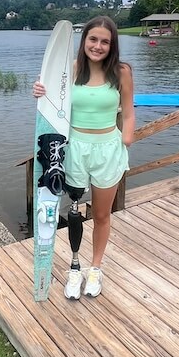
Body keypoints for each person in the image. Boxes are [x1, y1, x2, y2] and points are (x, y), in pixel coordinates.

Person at [33, 16, 135, 299]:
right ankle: (74, 267)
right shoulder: (71, 71)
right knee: (74, 212)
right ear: (84, 41)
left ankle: (95, 268)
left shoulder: (122, 72)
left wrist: (126, 139)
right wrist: (40, 91)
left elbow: (128, 112)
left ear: (112, 45)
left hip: (107, 150)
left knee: (101, 215)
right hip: (75, 149)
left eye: (105, 41)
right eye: (93, 39)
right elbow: (51, 104)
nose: (98, 46)